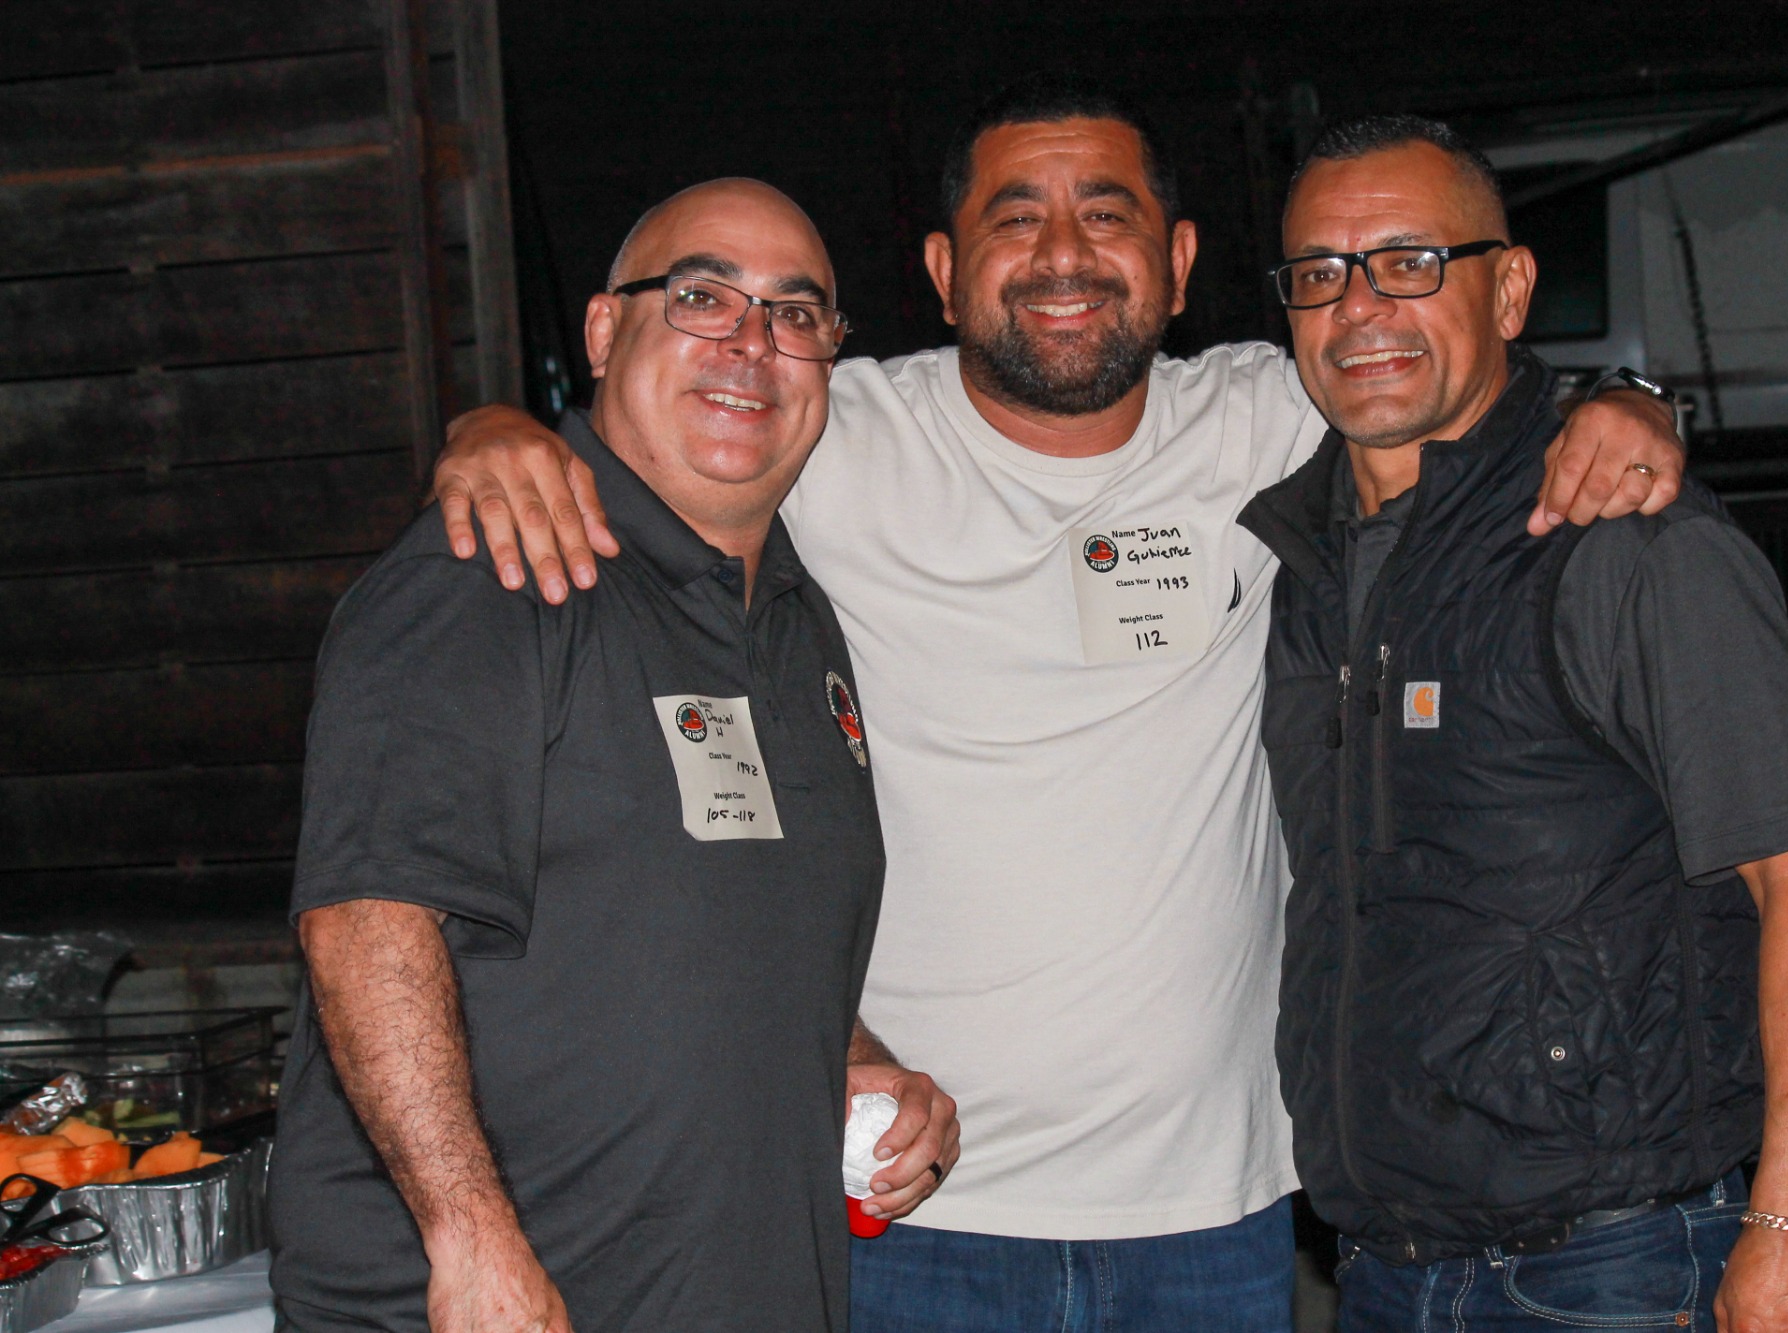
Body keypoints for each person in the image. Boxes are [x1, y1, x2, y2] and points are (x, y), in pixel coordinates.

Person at [429, 76, 1687, 1331]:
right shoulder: (823, 434)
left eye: (1106, 212)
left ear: (1178, 262)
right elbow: (648, 434)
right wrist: (493, 428)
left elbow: (1452, 383)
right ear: (944, 269)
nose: (1062, 253)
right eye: (1014, 217)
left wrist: (1626, 405)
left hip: (1208, 1210)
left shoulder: (1271, 415)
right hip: (908, 1206)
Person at [268, 179, 957, 1333]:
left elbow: (709, 923)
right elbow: (366, 921)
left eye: (795, 314)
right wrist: (469, 1239)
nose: (750, 342)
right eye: (700, 297)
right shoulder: (491, 569)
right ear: (601, 331)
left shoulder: (799, 623)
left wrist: (851, 1059)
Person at [1239, 115, 1788, 1332]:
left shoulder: (1624, 540)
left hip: (1609, 1265)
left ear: (1510, 288)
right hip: (1381, 1265)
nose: (1359, 306)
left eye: (1409, 262)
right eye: (1319, 272)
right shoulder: (1300, 555)